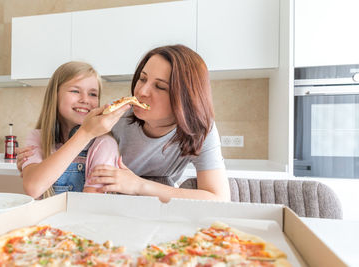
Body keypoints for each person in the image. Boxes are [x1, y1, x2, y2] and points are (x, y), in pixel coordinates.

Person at [17, 45, 230, 202]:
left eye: (160, 87)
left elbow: (218, 199)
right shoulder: (112, 121)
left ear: (185, 99)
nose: (141, 91)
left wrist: (138, 185)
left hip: (155, 203)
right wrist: (40, 161)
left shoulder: (201, 130)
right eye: (142, 78)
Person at [19, 61, 130, 199]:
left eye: (93, 94)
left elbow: (90, 204)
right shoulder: (37, 137)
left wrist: (86, 133)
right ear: (55, 95)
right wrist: (85, 134)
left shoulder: (104, 144)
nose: (85, 100)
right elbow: (33, 188)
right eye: (75, 91)